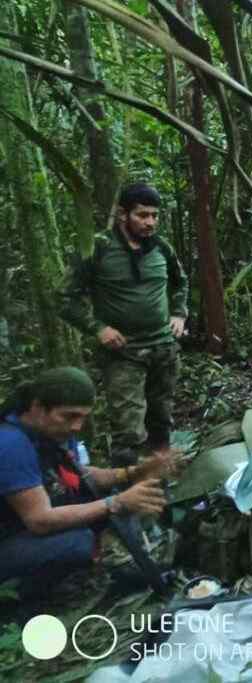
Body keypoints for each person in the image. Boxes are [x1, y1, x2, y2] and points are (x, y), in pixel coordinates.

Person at [0, 368, 173, 600]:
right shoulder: (10, 444)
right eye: (70, 416)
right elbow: (39, 520)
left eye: (83, 417)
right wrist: (115, 503)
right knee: (79, 542)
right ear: (38, 407)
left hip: (23, 521)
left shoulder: (52, 430)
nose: (77, 426)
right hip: (12, 536)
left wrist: (132, 472)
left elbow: (80, 475)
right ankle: (29, 598)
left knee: (111, 497)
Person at [59, 182, 188, 466]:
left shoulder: (161, 248)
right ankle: (129, 497)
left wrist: (179, 313)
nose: (150, 222)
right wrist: (98, 328)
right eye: (142, 215)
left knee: (162, 421)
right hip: (124, 353)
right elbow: (65, 298)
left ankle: (161, 486)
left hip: (163, 349)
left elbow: (181, 283)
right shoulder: (98, 248)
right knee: (128, 433)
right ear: (122, 215)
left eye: (154, 215)